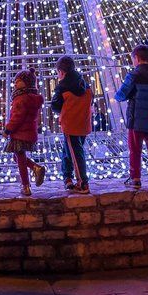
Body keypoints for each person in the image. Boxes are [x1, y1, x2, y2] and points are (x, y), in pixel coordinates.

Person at [114, 44, 148, 190]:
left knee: (135, 149)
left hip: (136, 118)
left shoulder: (134, 74)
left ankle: (135, 178)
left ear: (136, 58)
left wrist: (117, 96)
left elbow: (122, 94)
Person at [50, 56, 93, 194]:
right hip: (84, 124)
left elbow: (55, 106)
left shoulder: (62, 87)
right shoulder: (84, 84)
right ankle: (67, 177)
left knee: (75, 154)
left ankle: (83, 183)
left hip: (70, 125)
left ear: (61, 72)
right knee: (69, 151)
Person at [3, 68, 45, 196]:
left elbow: (17, 117)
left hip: (19, 133)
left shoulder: (21, 99)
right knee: (17, 157)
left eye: (19, 81)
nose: (15, 83)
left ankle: (25, 186)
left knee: (20, 159)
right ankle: (35, 168)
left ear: (27, 82)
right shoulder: (34, 98)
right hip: (29, 132)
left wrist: (7, 129)